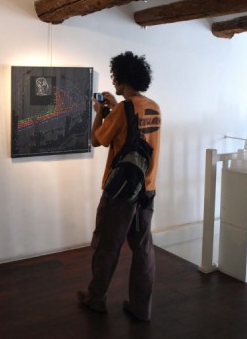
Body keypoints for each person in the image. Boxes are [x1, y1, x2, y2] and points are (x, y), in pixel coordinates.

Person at [77, 51, 161, 322]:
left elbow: (97, 139)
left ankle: (96, 298)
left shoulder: (124, 109)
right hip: (147, 189)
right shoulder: (154, 107)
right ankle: (141, 307)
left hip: (120, 191)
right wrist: (115, 108)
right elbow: (134, 129)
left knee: (107, 245)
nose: (113, 80)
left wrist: (100, 113)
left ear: (123, 78)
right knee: (143, 247)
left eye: (115, 76)